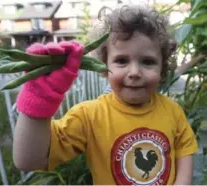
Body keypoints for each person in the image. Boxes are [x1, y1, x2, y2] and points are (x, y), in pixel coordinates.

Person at [13, 4, 199, 185]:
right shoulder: (89, 115)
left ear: (162, 68)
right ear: (104, 64)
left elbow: (184, 151)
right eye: (121, 60)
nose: (134, 72)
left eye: (148, 61)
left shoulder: (173, 111)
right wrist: (39, 98)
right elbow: (30, 160)